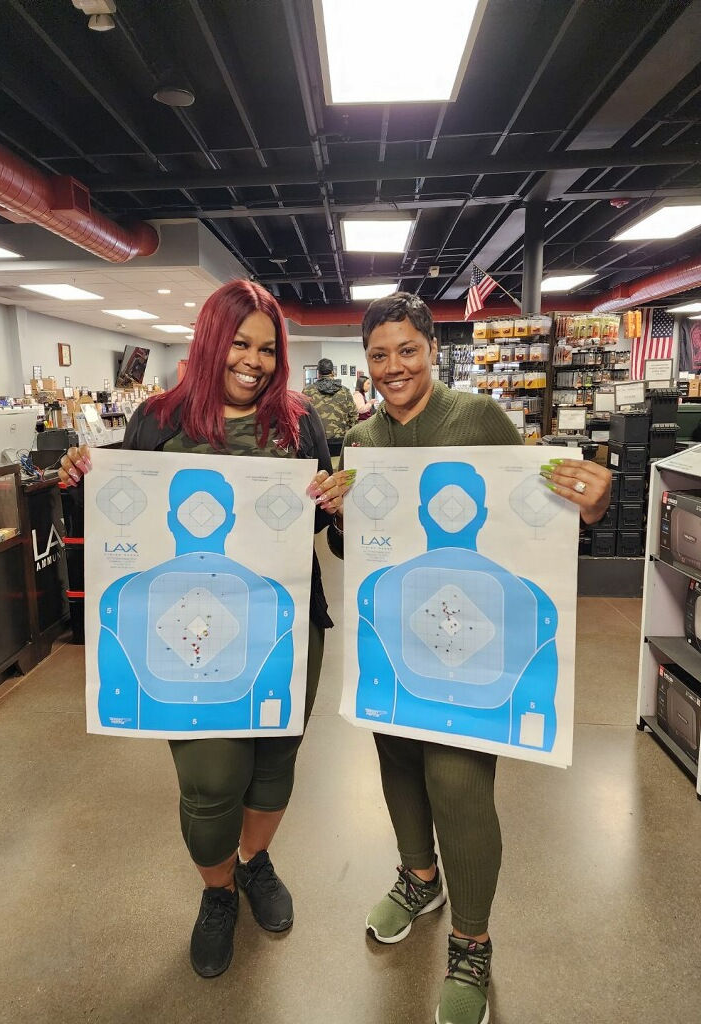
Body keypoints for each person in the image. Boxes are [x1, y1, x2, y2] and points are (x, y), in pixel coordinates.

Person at [317, 291, 611, 1024]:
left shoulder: (479, 418)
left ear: (431, 349)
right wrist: (340, 518)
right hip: (395, 638)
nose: (393, 367)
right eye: (379, 355)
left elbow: (536, 518)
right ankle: (421, 878)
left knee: (458, 782)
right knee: (397, 760)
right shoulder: (362, 438)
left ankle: (472, 940)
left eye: (407, 350)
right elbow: (355, 550)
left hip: (475, 640)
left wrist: (592, 502)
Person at [59, 279, 353, 980]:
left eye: (267, 349)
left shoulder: (299, 424)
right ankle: (217, 892)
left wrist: (340, 506)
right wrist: (82, 481)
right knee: (212, 777)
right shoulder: (157, 421)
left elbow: (322, 531)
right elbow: (119, 521)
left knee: (275, 762)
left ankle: (254, 862)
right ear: (212, 341)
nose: (253, 361)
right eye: (240, 344)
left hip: (284, 624)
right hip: (178, 628)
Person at [302, 357, 358, 458]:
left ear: (318, 373)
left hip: (317, 441)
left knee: (320, 467)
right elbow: (354, 416)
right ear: (333, 372)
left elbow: (302, 417)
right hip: (340, 441)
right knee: (339, 467)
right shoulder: (344, 391)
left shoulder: (307, 391)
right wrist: (347, 434)